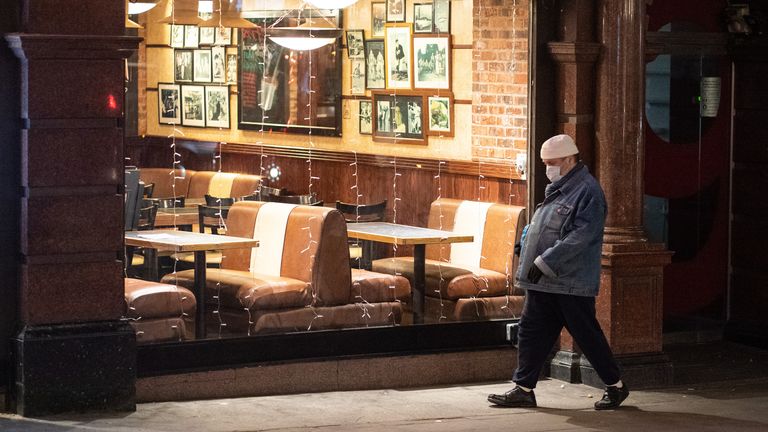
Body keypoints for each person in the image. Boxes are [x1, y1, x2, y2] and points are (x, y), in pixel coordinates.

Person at [487, 134, 629, 411]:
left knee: (587, 336)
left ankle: (616, 386)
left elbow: (581, 236)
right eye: (544, 163)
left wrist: (543, 262)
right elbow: (544, 225)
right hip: (545, 281)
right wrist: (525, 245)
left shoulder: (588, 191)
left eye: (551, 163)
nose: (547, 168)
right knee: (531, 332)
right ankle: (524, 388)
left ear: (568, 159)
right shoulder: (560, 188)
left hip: (570, 282)